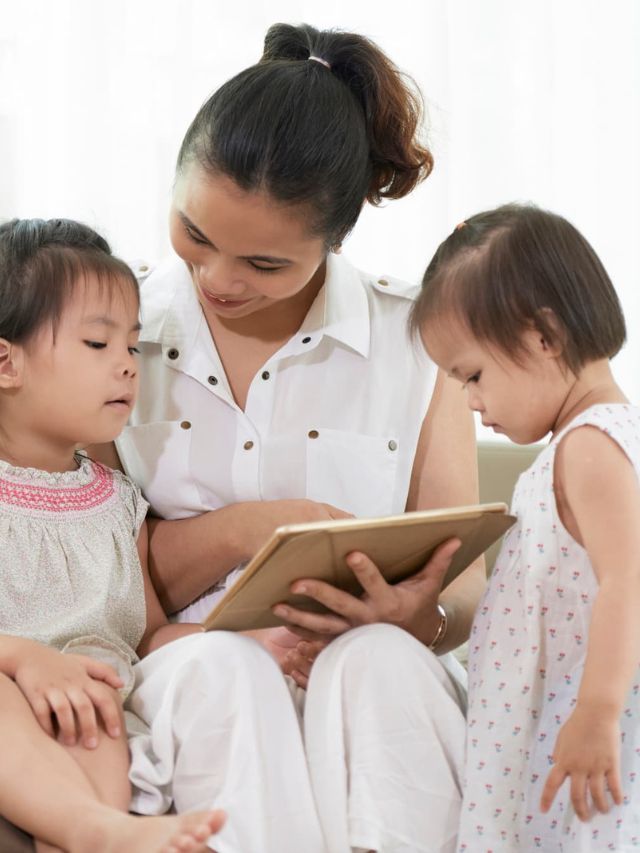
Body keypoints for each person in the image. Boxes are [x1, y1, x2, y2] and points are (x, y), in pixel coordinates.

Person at [90, 22, 483, 852]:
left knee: (375, 658)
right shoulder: (105, 332)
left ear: (335, 239)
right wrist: (251, 527)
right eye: (194, 234)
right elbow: (85, 555)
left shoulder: (416, 338)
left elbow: (466, 577)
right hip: (193, 664)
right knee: (221, 667)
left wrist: (420, 615)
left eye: (264, 264)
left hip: (374, 664)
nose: (218, 279)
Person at [0, 218, 331, 853]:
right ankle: (93, 829)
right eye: (98, 345)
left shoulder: (115, 500)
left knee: (96, 709)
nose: (126, 367)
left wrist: (248, 638)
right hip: (12, 685)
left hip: (94, 710)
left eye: (133, 347)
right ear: (6, 363)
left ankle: (92, 831)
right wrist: (27, 659)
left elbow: (149, 635)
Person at [409, 203, 640, 851]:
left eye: (473, 375)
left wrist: (597, 712)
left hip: (585, 739)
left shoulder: (589, 446)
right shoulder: (596, 441)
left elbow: (629, 579)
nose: (469, 400)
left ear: (544, 336)